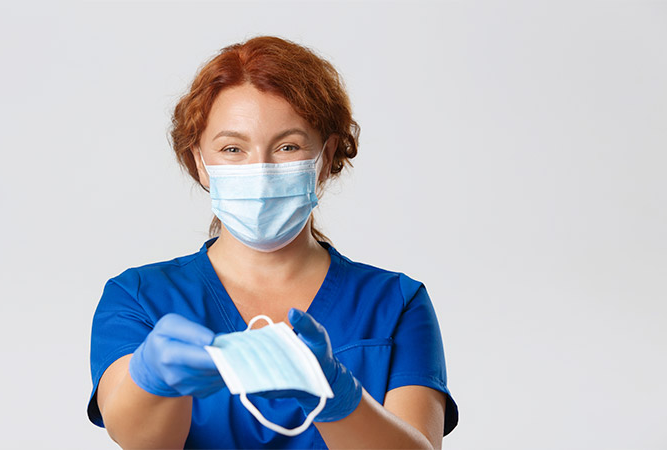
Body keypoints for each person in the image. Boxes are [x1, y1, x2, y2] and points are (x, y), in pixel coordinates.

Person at [87, 35, 458, 449]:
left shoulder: (395, 304)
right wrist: (152, 380)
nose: (260, 170)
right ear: (199, 162)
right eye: (232, 148)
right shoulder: (138, 298)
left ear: (326, 155)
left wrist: (338, 398)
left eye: (288, 146)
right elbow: (143, 442)